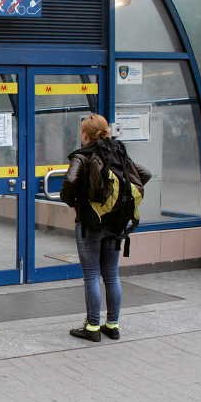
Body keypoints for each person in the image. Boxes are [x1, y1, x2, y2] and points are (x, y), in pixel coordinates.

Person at [60, 114, 151, 342]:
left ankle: (92, 327)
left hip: (91, 222)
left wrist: (72, 201)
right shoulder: (119, 152)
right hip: (117, 222)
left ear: (85, 134)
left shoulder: (83, 156)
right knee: (111, 274)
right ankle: (112, 325)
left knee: (91, 274)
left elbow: (70, 181)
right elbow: (145, 174)